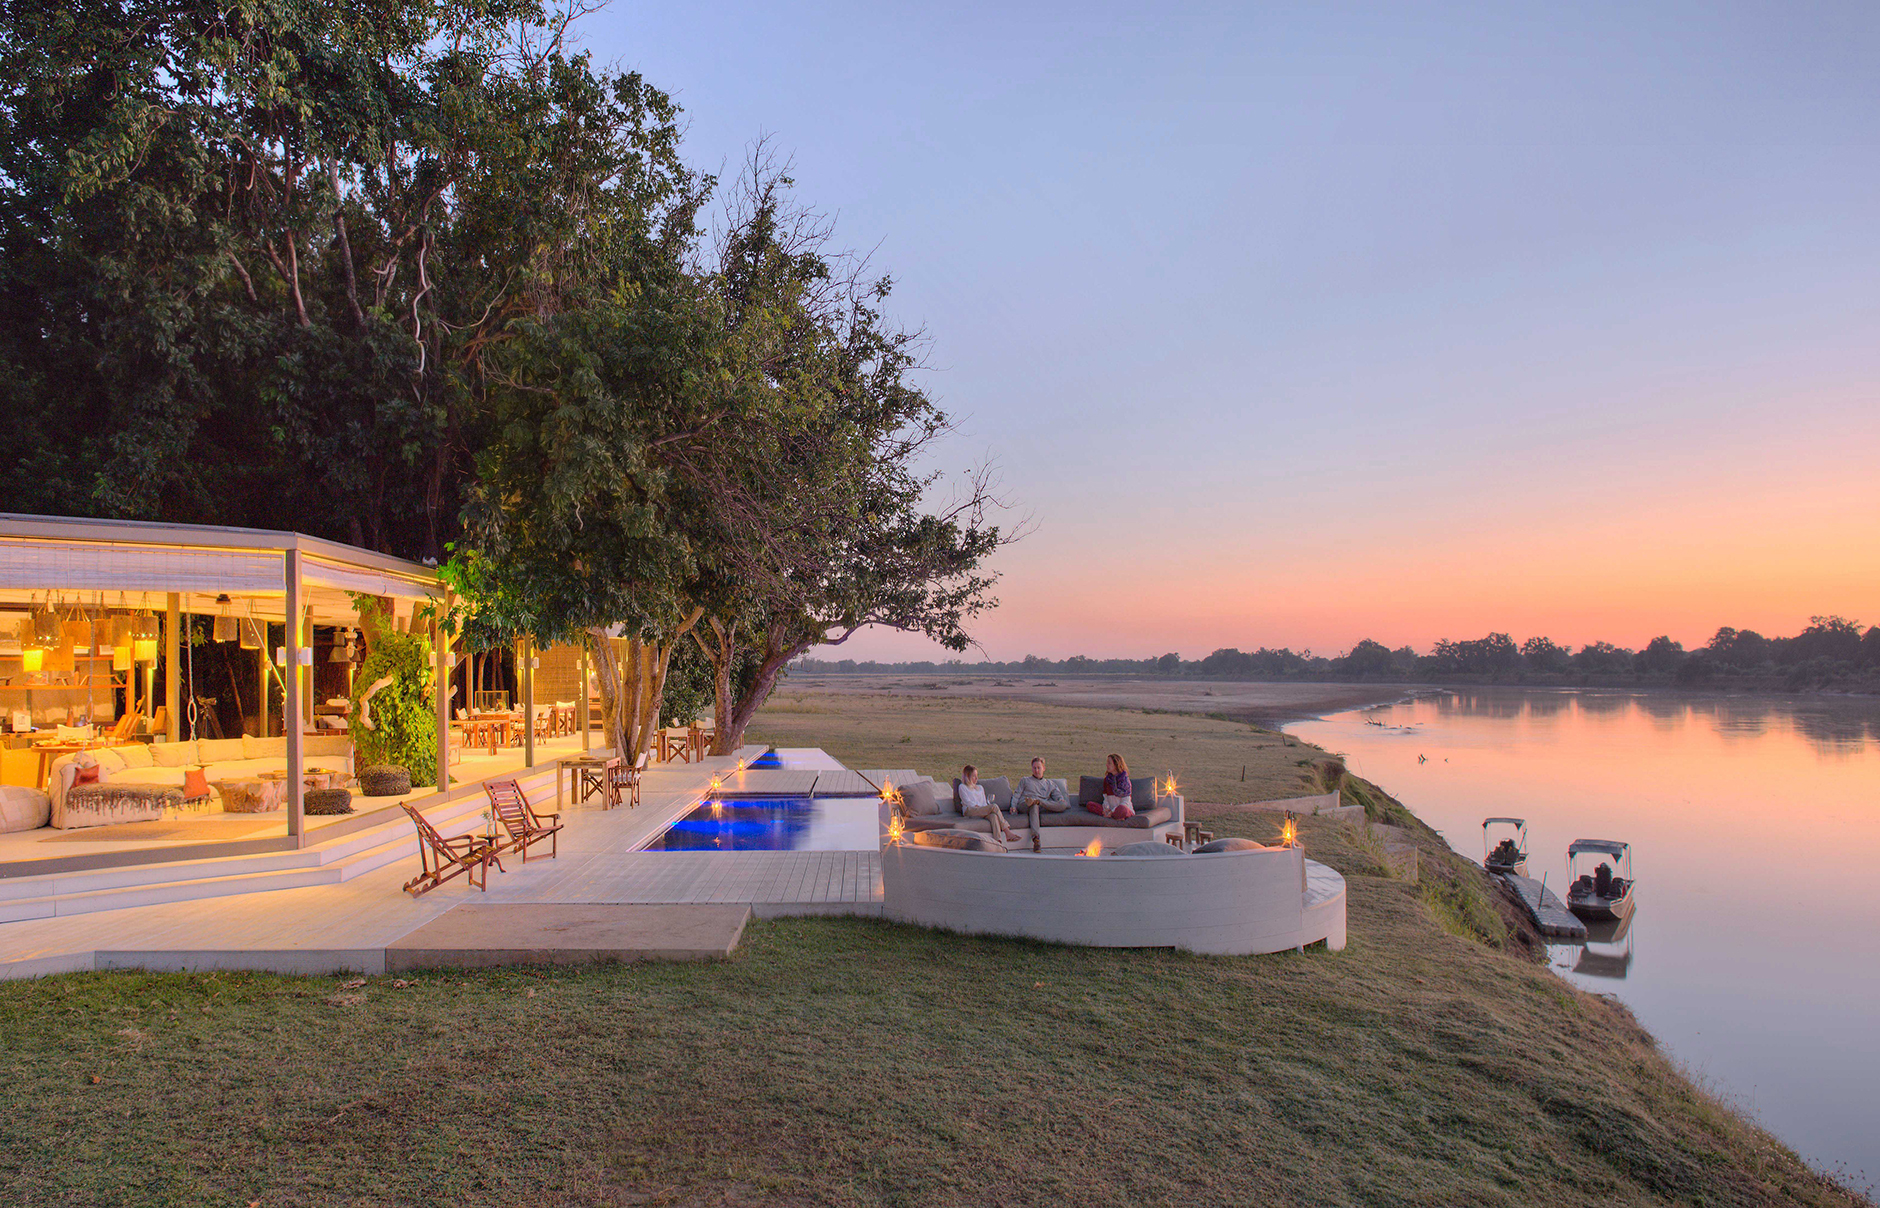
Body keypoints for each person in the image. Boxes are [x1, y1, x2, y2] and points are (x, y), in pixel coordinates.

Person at [957, 764, 1019, 844]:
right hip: (970, 810)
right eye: (974, 776)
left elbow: (984, 802)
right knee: (994, 807)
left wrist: (984, 808)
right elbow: (967, 801)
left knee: (993, 816)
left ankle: (998, 842)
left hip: (981, 810)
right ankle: (1007, 831)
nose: (976, 778)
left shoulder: (980, 788)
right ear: (967, 777)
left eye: (977, 776)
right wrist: (980, 807)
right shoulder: (962, 787)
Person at [1087, 753, 1135, 820]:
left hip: (1123, 808)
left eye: (1109, 763)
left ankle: (1112, 815)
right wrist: (1106, 808)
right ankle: (1113, 816)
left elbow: (1125, 801)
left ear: (1116, 765)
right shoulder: (1107, 780)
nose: (1106, 765)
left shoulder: (1125, 781)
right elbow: (1106, 798)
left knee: (1123, 809)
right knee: (1090, 805)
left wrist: (1112, 811)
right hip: (1110, 809)